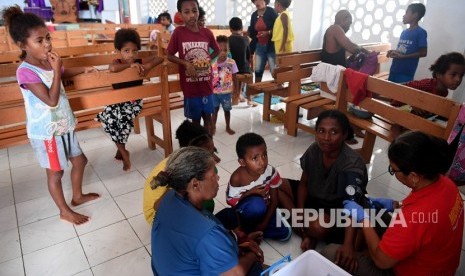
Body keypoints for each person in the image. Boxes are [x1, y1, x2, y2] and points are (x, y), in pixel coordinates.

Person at [2, 5, 100, 225]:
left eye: (48, 38)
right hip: (47, 132)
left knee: (80, 161)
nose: (47, 44)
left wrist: (82, 70)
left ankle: (77, 196)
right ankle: (64, 210)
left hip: (63, 125)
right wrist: (57, 70)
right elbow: (51, 99)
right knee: (55, 173)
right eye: (39, 41)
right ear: (22, 45)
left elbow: (63, 72)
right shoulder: (26, 72)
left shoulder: (48, 61)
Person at [323, 131, 464, 275]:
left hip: (411, 271)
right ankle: (365, 248)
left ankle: (365, 250)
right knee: (374, 211)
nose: (392, 172)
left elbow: (381, 261)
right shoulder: (446, 184)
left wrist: (364, 220)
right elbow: (426, 211)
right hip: (442, 266)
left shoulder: (415, 218)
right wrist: (397, 205)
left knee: (329, 253)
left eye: (393, 170)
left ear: (414, 176)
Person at [151, 147, 264, 275]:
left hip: (165, 269)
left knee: (227, 216)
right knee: (254, 267)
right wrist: (253, 255)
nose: (218, 177)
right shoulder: (208, 234)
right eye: (213, 175)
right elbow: (235, 274)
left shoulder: (169, 197)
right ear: (195, 184)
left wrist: (235, 239)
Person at [278, 110, 367, 270]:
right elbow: (304, 183)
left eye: (334, 132)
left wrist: (348, 245)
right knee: (275, 185)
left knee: (319, 227)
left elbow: (351, 208)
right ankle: (306, 231)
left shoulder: (352, 164)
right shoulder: (315, 149)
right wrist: (299, 211)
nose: (326, 138)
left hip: (337, 208)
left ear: (345, 134)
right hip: (315, 197)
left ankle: (309, 234)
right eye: (321, 131)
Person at [96, 28, 163, 171]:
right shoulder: (117, 62)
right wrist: (129, 65)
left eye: (134, 51)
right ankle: (123, 150)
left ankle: (122, 150)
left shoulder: (140, 61)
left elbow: (160, 58)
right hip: (117, 101)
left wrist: (147, 66)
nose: (131, 55)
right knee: (108, 118)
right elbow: (112, 68)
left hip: (133, 103)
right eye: (126, 51)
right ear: (118, 51)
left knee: (119, 119)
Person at [143, 120, 220, 225]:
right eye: (208, 154)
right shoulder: (181, 172)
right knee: (205, 197)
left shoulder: (185, 158)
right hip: (157, 216)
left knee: (209, 175)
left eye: (212, 152)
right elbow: (159, 206)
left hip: (170, 204)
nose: (212, 157)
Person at [222, 133, 292, 241]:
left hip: (263, 211)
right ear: (242, 162)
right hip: (243, 213)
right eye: (255, 158)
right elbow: (231, 203)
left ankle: (252, 231)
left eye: (264, 155)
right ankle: (246, 230)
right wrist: (250, 193)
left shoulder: (271, 172)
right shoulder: (237, 178)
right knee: (257, 205)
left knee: (285, 233)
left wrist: (264, 224)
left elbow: (274, 201)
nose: (262, 162)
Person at [167, 0, 220, 134]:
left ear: (198, 11)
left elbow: (217, 50)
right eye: (187, 12)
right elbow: (169, 55)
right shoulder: (179, 32)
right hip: (190, 87)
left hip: (206, 84)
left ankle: (209, 148)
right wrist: (186, 63)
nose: (191, 15)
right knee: (195, 121)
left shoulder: (207, 33)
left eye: (194, 11)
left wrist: (208, 59)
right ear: (180, 14)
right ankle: (197, 150)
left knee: (208, 119)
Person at [390, 52, 465, 136]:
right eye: (453, 74)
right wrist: (412, 102)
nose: (458, 79)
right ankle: (398, 134)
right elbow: (399, 88)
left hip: (414, 116)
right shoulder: (427, 84)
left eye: (461, 75)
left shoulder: (444, 92)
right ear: (439, 74)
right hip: (399, 108)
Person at [387, 3, 427, 83]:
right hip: (394, 69)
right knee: (389, 93)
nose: (404, 15)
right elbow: (402, 50)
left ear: (415, 15)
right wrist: (393, 52)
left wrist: (404, 57)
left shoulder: (421, 32)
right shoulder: (404, 32)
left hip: (405, 73)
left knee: (401, 94)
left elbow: (423, 53)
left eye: (407, 12)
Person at [212, 35, 238, 136]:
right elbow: (209, 77)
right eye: (219, 50)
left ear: (229, 50)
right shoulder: (212, 63)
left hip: (226, 93)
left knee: (227, 110)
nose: (222, 53)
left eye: (225, 50)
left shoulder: (231, 63)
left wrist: (236, 90)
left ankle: (228, 127)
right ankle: (213, 127)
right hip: (214, 92)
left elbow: (235, 77)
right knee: (214, 110)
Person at [247, 0, 278, 83]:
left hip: (271, 46)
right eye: (255, 1)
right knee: (258, 70)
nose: (257, 2)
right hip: (259, 46)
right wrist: (250, 32)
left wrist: (268, 32)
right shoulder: (254, 15)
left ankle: (278, 88)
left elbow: (278, 28)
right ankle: (257, 89)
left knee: (274, 70)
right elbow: (252, 32)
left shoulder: (272, 12)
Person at [229, 17, 252, 105]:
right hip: (244, 69)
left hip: (232, 69)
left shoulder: (227, 40)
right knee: (246, 69)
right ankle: (249, 98)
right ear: (242, 29)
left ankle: (236, 96)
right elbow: (248, 56)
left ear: (230, 29)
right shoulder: (246, 39)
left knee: (236, 69)